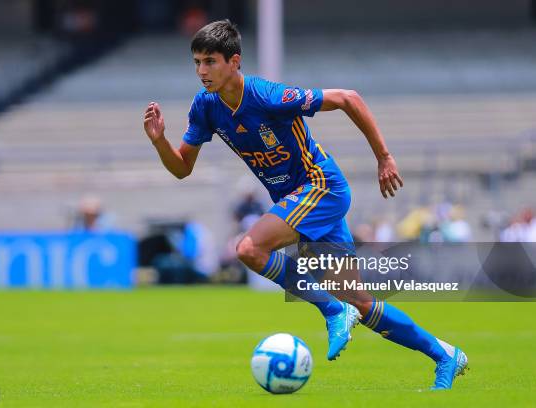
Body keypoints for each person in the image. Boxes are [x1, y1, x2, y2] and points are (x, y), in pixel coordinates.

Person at [143, 20, 467, 389]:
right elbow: (182, 168)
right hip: (299, 200)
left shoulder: (268, 95)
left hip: (320, 187)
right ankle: (445, 355)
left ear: (234, 62)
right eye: (197, 62)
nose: (202, 71)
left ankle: (331, 309)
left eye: (210, 61)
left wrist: (384, 157)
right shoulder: (205, 106)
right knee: (360, 301)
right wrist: (159, 142)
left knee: (249, 249)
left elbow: (349, 98)